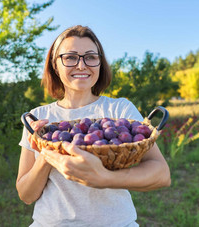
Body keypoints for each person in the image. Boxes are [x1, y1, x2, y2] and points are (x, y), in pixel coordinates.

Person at [16, 25, 171, 227]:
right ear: (55, 65)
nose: (81, 65)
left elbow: (161, 175)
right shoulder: (39, 118)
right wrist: (46, 154)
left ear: (100, 63)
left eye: (90, 57)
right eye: (70, 57)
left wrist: (104, 178)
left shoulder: (119, 111)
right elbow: (26, 195)